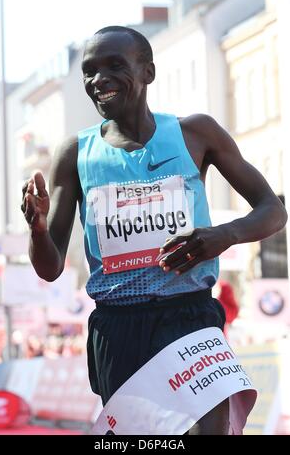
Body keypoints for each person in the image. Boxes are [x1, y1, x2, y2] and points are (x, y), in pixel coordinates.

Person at [21, 26, 287, 435]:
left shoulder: (195, 133)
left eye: (114, 65)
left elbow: (273, 210)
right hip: (119, 325)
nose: (98, 79)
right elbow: (49, 268)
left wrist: (223, 236)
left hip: (190, 314)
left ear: (148, 72)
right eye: (89, 71)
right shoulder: (75, 153)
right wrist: (38, 229)